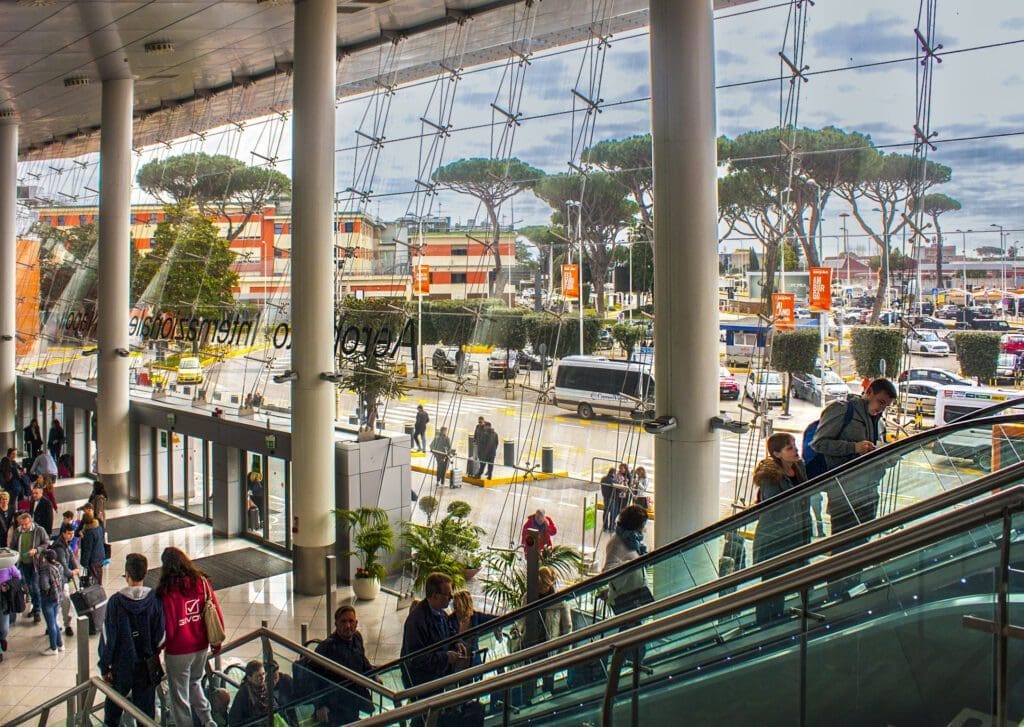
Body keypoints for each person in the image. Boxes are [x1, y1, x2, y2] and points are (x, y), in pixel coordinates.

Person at [811, 378, 897, 537]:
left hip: (869, 494)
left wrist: (887, 458)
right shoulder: (842, 410)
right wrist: (854, 447)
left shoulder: (879, 422)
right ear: (869, 392)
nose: (882, 408)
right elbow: (819, 444)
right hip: (844, 496)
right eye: (881, 402)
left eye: (886, 405)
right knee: (845, 547)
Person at [157, 546, 225, 727]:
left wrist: (160, 648)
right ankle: (208, 719)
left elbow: (167, 626)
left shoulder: (167, 591)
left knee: (179, 695)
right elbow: (215, 611)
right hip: (200, 645)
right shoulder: (202, 582)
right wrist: (216, 642)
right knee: (194, 682)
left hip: (178, 649)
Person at [98, 553, 166, 726]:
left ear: (126, 575)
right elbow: (160, 637)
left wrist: (105, 666)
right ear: (145, 574)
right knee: (146, 714)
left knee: (114, 710)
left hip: (121, 667)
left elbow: (108, 638)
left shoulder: (115, 602)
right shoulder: (154, 600)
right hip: (147, 666)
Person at [752, 433, 813, 623]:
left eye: (794, 445)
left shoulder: (799, 467)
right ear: (777, 453)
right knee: (773, 586)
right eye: (789, 448)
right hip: (776, 539)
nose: (795, 450)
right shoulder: (771, 478)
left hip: (798, 534)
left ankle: (788, 618)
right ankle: (768, 623)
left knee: (797, 579)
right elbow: (774, 509)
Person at [400, 572, 469, 688]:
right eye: (448, 595)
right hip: (424, 684)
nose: (451, 598)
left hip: (440, 677)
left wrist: (457, 642)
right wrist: (446, 657)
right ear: (435, 596)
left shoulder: (441, 613)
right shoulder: (416, 621)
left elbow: (450, 631)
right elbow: (416, 659)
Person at [312, 605, 376, 724]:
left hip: (353, 700)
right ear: (336, 624)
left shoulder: (357, 638)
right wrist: (320, 705)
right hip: (334, 705)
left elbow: (361, 658)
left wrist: (373, 674)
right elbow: (313, 677)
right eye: (343, 621)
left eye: (351, 621)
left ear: (356, 623)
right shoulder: (327, 647)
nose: (348, 626)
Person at [602, 504, 651, 613]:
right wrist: (632, 564)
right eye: (643, 525)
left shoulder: (634, 540)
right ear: (635, 524)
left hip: (637, 593)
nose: (645, 529)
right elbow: (608, 571)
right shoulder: (616, 543)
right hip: (625, 598)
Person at [8, 511, 48, 623]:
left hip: (35, 564)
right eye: (22, 524)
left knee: (34, 586)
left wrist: (36, 550)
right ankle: (35, 606)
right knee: (28, 587)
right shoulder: (18, 531)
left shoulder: (39, 530)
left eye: (26, 524)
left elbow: (46, 543)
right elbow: (13, 545)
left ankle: (37, 611)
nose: (24, 527)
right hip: (23, 563)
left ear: (30, 522)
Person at [51, 524, 81, 637]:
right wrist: (72, 572)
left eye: (73, 533)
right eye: (69, 533)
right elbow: (63, 567)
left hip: (60, 580)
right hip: (59, 580)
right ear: (63, 533)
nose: (71, 536)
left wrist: (76, 567)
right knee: (64, 601)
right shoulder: (59, 548)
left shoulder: (64, 544)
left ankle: (55, 624)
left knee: (60, 603)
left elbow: (71, 556)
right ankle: (64, 624)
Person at [228, 660, 276, 725]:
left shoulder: (267, 688)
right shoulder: (244, 694)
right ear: (249, 678)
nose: (262, 678)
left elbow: (275, 705)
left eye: (263, 674)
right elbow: (234, 719)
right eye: (258, 676)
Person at [37, 547, 66, 654]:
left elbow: (44, 585)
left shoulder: (45, 568)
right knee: (55, 621)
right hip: (58, 597)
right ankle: (60, 644)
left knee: (51, 623)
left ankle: (53, 648)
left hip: (48, 599)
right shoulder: (59, 566)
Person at [0, 564, 25, 663]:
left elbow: (18, 576)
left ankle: (2, 639)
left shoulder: (6, 563)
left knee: (4, 628)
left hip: (3, 600)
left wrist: (8, 585)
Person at [79, 513, 106, 586]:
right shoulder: (98, 527)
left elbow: (88, 549)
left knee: (95, 578)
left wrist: (84, 562)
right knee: (99, 576)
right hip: (100, 555)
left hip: (93, 558)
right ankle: (100, 589)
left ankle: (97, 593)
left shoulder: (89, 533)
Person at [600, 467, 618, 532]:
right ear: (613, 473)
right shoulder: (613, 481)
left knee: (606, 512)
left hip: (605, 497)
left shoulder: (603, 479)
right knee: (613, 513)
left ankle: (605, 527)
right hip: (612, 498)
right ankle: (611, 527)